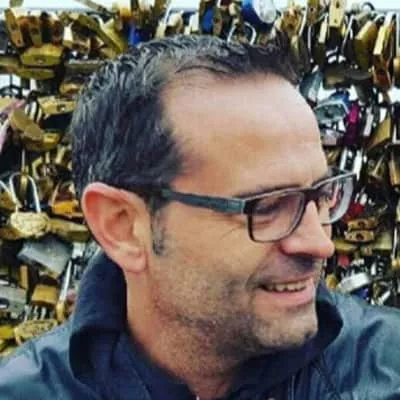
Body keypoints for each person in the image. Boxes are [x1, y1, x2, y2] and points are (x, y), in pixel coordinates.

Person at [1, 34, 400, 400]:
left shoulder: (388, 368)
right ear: (122, 227)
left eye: (323, 195)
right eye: (267, 206)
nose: (320, 243)